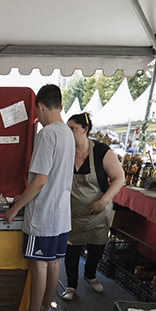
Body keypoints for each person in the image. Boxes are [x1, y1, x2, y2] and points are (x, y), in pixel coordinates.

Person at [4, 84, 75, 311]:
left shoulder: (46, 134)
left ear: (41, 107)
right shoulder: (68, 133)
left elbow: (40, 180)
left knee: (39, 265)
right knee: (54, 262)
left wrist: (15, 209)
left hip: (43, 214)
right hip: (61, 215)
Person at [61, 112, 126, 301]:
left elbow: (119, 177)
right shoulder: (66, 151)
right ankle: (71, 285)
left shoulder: (101, 151)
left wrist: (102, 202)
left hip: (99, 211)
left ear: (85, 130)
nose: (69, 132)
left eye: (72, 128)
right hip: (73, 213)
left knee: (97, 246)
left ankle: (90, 274)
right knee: (71, 250)